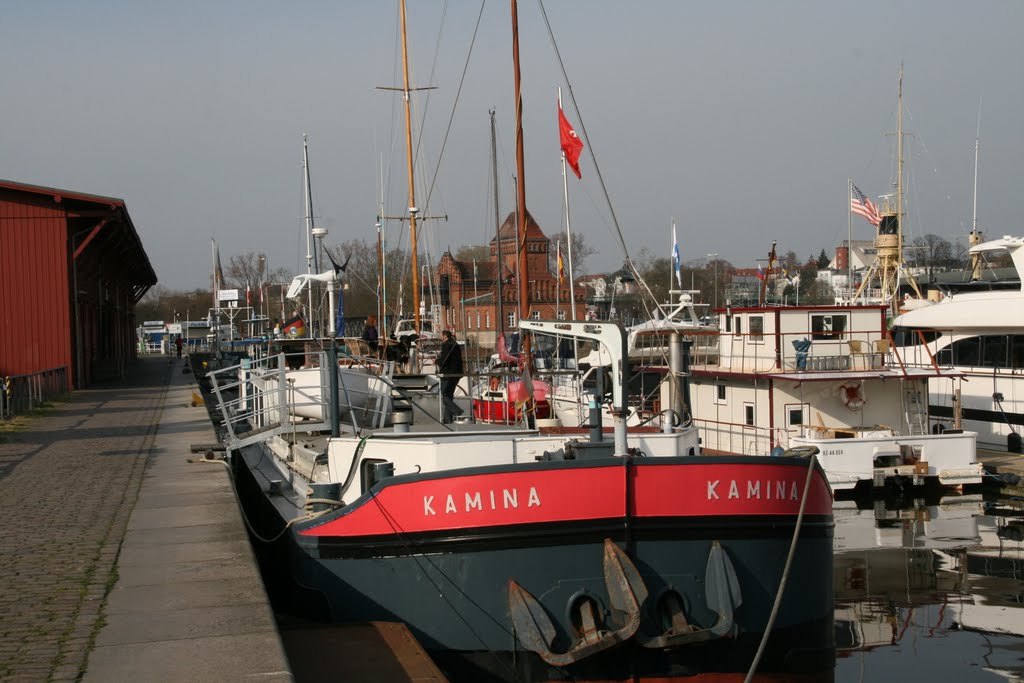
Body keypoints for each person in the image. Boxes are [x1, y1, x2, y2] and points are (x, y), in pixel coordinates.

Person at [437, 329, 464, 424]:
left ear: (445, 337)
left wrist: (436, 361)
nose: (441, 338)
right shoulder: (455, 344)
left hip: (448, 374)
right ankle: (447, 420)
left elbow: (444, 359)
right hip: (457, 373)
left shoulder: (446, 345)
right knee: (449, 395)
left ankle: (457, 410)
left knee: (442, 395)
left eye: (442, 336)